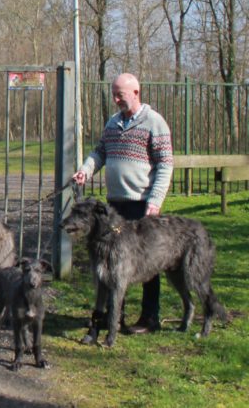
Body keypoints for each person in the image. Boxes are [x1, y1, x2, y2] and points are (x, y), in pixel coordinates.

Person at [72, 73, 173, 334]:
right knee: (111, 262)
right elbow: (100, 152)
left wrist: (155, 200)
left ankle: (150, 318)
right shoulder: (113, 123)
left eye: (120, 94)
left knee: (147, 263)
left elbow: (165, 164)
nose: (116, 99)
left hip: (142, 204)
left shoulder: (154, 122)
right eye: (114, 94)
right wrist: (85, 170)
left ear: (136, 92)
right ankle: (115, 316)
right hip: (115, 206)